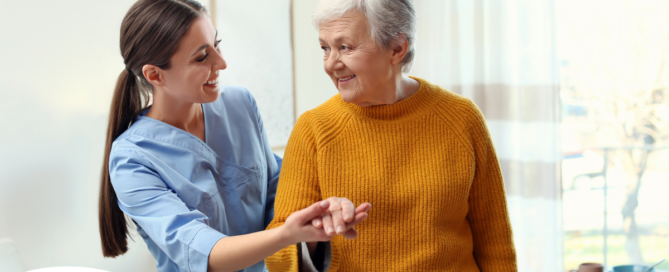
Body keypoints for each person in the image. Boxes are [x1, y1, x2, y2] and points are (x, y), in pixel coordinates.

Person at [96, 1, 369, 271]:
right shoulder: (132, 160)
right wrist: (288, 233)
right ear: (155, 75)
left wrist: (316, 215)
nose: (222, 62)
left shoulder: (240, 104)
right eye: (202, 57)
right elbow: (205, 253)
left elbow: (278, 192)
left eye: (217, 45)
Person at [265, 0, 518, 271]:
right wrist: (313, 234)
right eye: (325, 48)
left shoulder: (461, 117)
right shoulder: (314, 129)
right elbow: (279, 256)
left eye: (345, 47)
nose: (330, 64)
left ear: (397, 48)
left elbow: (495, 241)